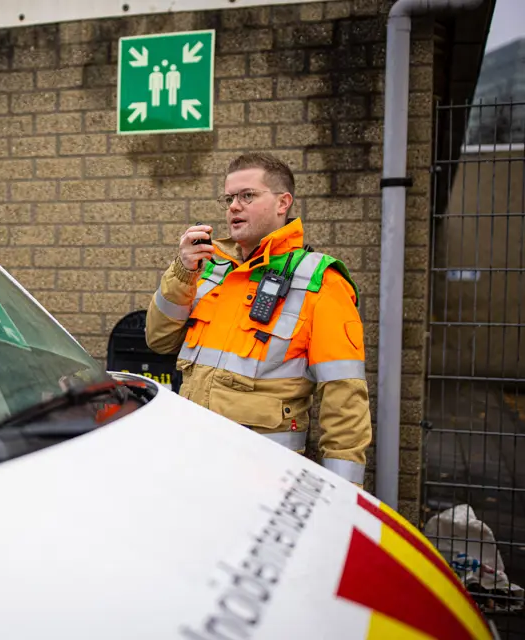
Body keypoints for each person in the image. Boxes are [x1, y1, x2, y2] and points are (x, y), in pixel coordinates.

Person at [145, 152, 372, 488]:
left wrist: (343, 494)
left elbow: (345, 401)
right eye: (229, 198)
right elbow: (158, 340)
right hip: (192, 465)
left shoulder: (320, 281)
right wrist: (182, 271)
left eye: (247, 196)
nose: (234, 206)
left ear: (283, 203)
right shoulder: (210, 268)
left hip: (262, 480)